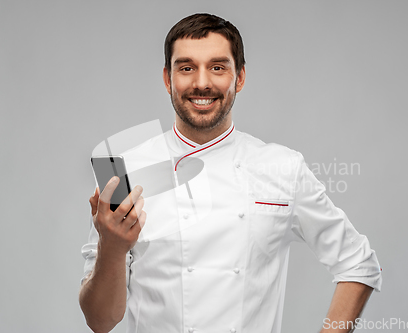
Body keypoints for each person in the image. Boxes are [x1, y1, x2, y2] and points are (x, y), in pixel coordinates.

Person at [79, 13, 382, 333]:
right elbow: (100, 321)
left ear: (239, 78)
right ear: (168, 79)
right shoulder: (122, 171)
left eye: (218, 67)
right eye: (186, 68)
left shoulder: (282, 167)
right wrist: (111, 248)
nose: (202, 83)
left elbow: (359, 264)